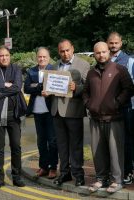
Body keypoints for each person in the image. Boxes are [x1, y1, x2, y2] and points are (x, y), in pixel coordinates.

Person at [83, 41, 133, 193]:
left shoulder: (119, 69)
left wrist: (117, 103)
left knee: (115, 151)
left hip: (115, 118)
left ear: (108, 53)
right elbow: (85, 92)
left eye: (104, 52)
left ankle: (117, 181)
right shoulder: (91, 72)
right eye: (98, 52)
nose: (101, 55)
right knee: (98, 151)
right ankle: (101, 179)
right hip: (96, 118)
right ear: (94, 54)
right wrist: (89, 104)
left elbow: (129, 88)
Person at [0, 46, 27, 189]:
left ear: (10, 56)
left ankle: (16, 177)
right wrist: (4, 84)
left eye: (6, 55)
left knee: (16, 146)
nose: (4, 58)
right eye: (1, 56)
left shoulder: (16, 69)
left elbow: (17, 87)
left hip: (13, 115)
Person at [51, 39, 90, 186]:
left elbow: (88, 86)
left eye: (67, 50)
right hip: (57, 111)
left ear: (72, 49)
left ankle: (78, 174)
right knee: (62, 145)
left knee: (76, 145)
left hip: (73, 111)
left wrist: (77, 88)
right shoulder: (54, 65)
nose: (65, 53)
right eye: (62, 51)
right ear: (58, 51)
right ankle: (65, 173)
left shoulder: (83, 64)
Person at [24, 47, 58, 179]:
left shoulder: (54, 69)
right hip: (37, 111)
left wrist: (35, 86)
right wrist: (40, 87)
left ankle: (53, 167)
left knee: (53, 141)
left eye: (44, 57)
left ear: (49, 58)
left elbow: (55, 88)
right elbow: (26, 88)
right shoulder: (31, 71)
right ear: (36, 57)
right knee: (41, 142)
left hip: (50, 111)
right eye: (39, 57)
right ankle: (43, 166)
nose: (42, 59)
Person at [107, 32, 134, 184]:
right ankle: (116, 170)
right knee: (113, 141)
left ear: (121, 43)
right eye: (111, 43)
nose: (113, 45)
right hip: (108, 109)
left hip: (125, 107)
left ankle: (128, 171)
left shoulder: (129, 60)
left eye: (116, 43)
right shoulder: (103, 59)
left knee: (127, 140)